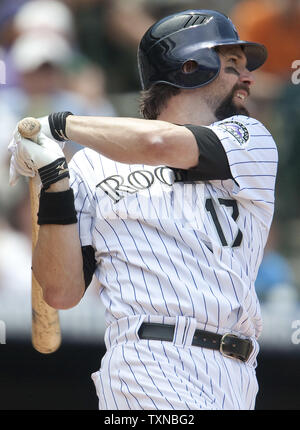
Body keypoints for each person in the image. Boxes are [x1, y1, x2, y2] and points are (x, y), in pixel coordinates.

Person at [8, 10, 278, 410]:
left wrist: (58, 124)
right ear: (190, 67)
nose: (249, 78)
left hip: (237, 373)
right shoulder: (91, 166)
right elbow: (61, 292)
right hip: (148, 361)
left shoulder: (248, 137)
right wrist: (55, 182)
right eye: (233, 65)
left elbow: (157, 145)